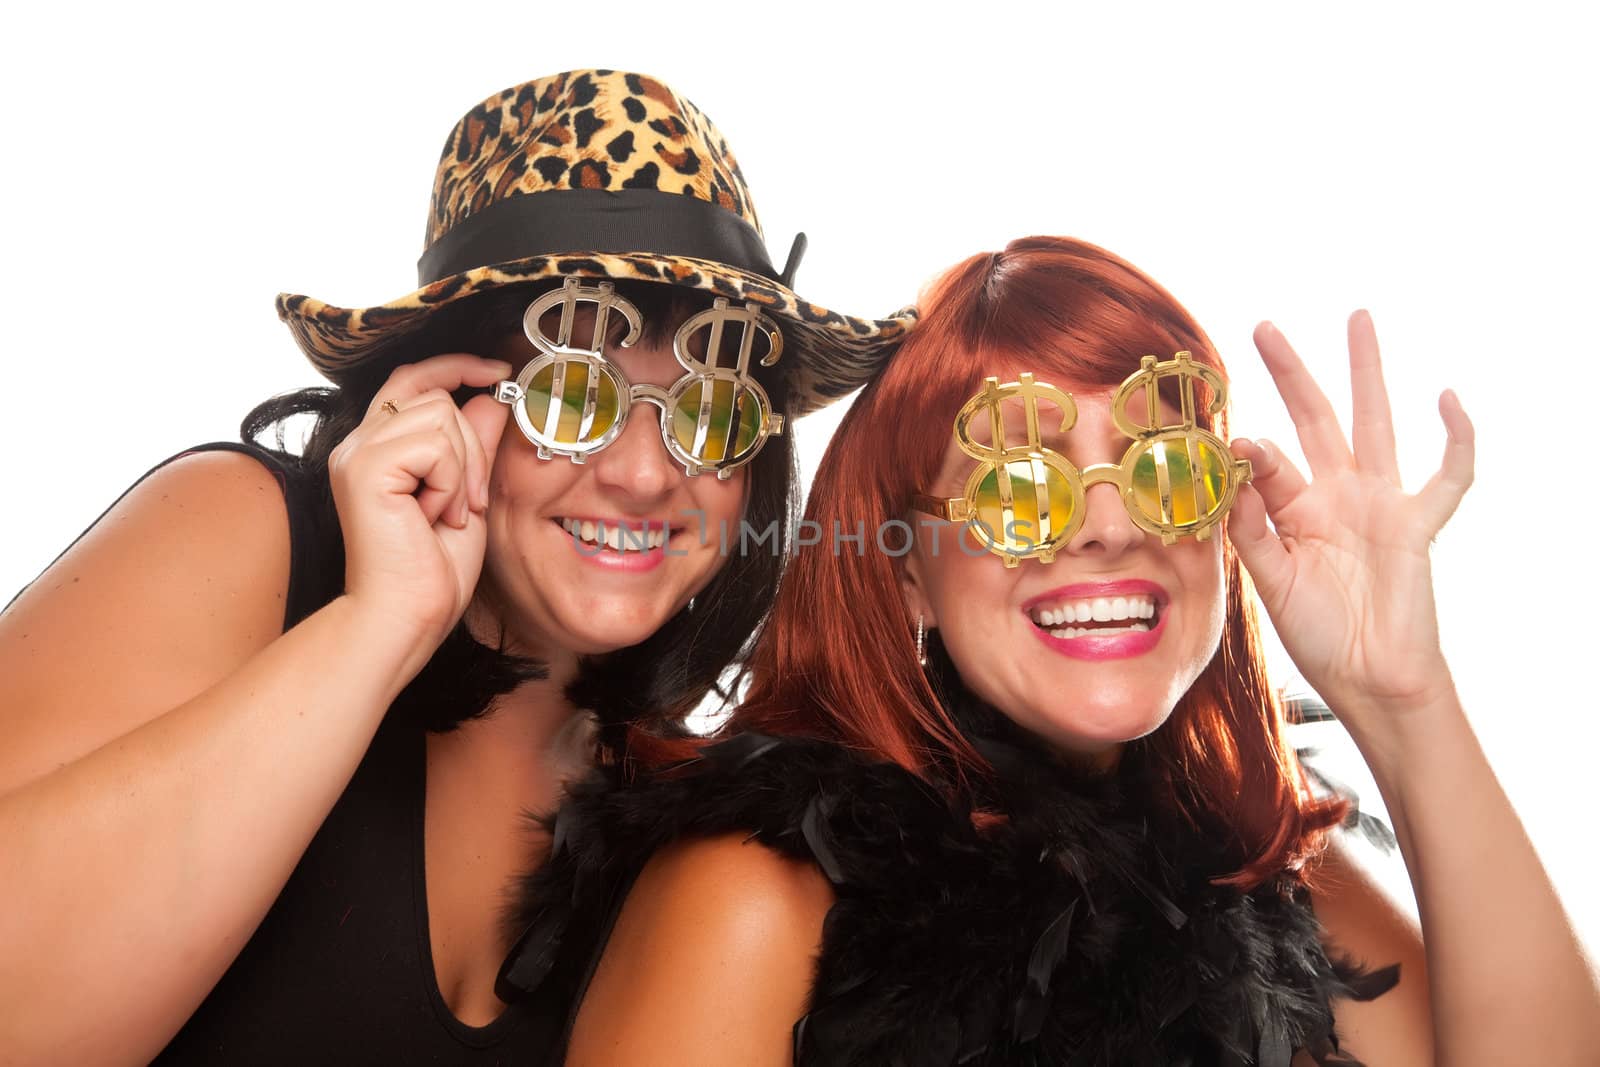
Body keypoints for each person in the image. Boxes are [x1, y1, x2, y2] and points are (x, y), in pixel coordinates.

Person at [502, 236, 1600, 1065]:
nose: (1109, 526)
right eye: (1017, 486)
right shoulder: (751, 899)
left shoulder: (1254, 871)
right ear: (903, 569)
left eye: (1162, 468)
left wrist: (1405, 703)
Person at [0, 69, 912, 1065]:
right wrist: (375, 626)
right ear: (441, 393)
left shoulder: (674, 813)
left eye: (708, 412)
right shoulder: (239, 533)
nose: (649, 474)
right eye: (573, 394)